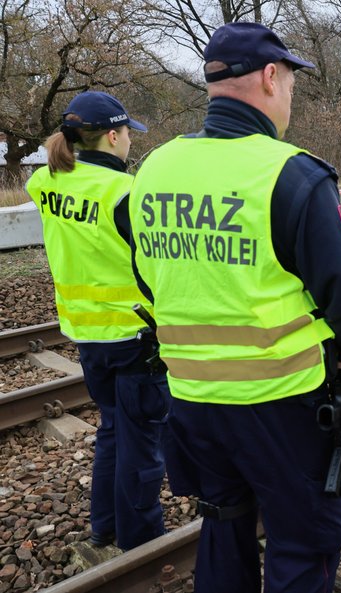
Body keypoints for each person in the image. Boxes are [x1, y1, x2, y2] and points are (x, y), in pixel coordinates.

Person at [124, 22, 341, 593]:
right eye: (290, 81)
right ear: (270, 78)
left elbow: (149, 274)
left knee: (224, 516)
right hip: (281, 403)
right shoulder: (292, 173)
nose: (289, 93)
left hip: (190, 398)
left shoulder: (153, 169)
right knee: (307, 534)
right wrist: (337, 347)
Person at [25, 91, 170, 550]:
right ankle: (142, 544)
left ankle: (104, 525)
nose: (130, 142)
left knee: (112, 429)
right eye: (128, 133)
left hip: (85, 334)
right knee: (142, 444)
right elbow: (154, 266)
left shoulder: (48, 182)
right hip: (133, 335)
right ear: (113, 135)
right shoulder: (124, 192)